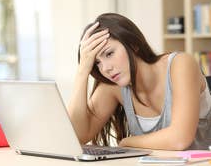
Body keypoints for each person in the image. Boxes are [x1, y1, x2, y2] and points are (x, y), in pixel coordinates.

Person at [68, 13, 211, 150]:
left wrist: (128, 141)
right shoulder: (114, 85)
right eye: (97, 62)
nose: (106, 68)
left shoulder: (180, 64)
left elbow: (180, 139)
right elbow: (77, 136)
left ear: (133, 44)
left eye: (109, 53)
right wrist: (82, 71)